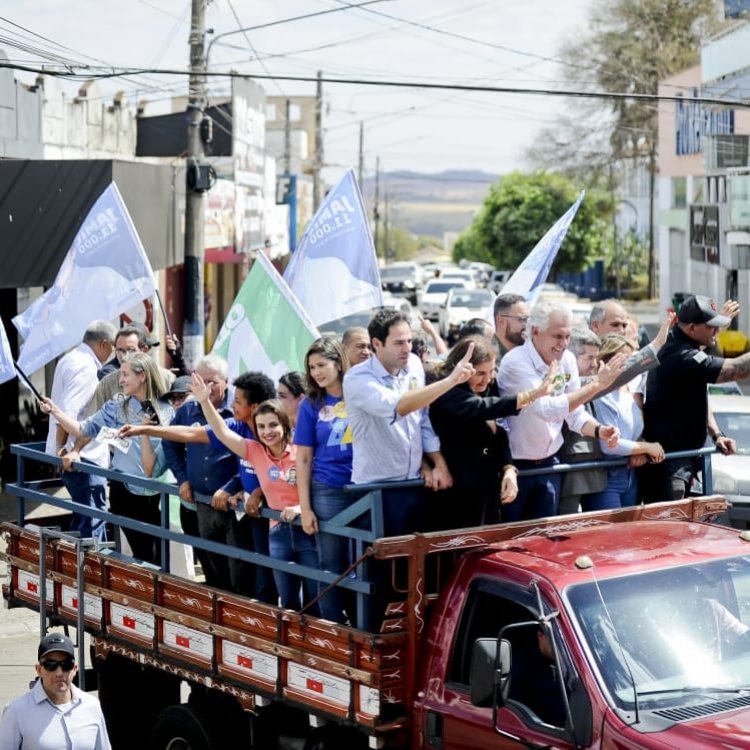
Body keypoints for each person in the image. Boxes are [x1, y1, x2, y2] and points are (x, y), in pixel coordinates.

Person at [121, 372, 277, 600]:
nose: (232, 404)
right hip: (249, 514)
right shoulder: (237, 427)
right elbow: (193, 432)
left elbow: (281, 470)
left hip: (272, 517)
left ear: (253, 407)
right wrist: (144, 430)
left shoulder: (274, 432)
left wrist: (256, 491)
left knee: (264, 578)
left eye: (238, 402)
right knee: (239, 577)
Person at [343, 308, 475, 538]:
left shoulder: (413, 364)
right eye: (398, 343)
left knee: (416, 566)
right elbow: (399, 407)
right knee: (382, 570)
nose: (407, 348)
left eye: (409, 341)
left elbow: (421, 417)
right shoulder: (357, 378)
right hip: (377, 491)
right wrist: (451, 381)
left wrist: (438, 462)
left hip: (414, 484)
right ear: (377, 343)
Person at [190, 377, 318, 611]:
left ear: (285, 424)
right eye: (261, 427)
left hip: (307, 531)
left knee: (315, 600)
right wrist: (205, 402)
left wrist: (300, 509)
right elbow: (221, 432)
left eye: (273, 425)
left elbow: (317, 491)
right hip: (277, 532)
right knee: (288, 601)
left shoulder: (302, 450)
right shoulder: (255, 451)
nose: (267, 432)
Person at [41, 352, 173, 567]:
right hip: (126, 492)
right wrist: (55, 410)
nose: (120, 380)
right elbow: (82, 429)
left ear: (143, 376)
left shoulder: (167, 410)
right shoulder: (117, 407)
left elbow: (161, 463)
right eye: (121, 374)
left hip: (159, 495)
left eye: (125, 374)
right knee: (147, 558)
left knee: (158, 558)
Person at [498, 301, 624, 521]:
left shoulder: (566, 360)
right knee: (512, 544)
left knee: (544, 541)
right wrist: (596, 385)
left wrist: (599, 430)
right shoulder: (515, 362)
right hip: (516, 468)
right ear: (536, 331)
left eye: (567, 337)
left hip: (550, 464)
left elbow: (574, 414)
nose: (564, 344)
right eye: (558, 336)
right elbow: (545, 409)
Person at [429, 336, 555, 529]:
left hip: (488, 489)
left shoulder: (487, 388)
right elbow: (482, 408)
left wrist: (508, 468)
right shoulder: (447, 391)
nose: (486, 380)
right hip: (457, 492)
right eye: (480, 373)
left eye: (491, 372)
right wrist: (533, 394)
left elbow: (500, 432)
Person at [641, 294, 746, 502]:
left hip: (684, 463)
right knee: (671, 532)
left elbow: (699, 396)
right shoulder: (682, 356)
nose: (717, 331)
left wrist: (717, 434)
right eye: (712, 326)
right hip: (670, 468)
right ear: (691, 328)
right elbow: (733, 370)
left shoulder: (681, 342)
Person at [161, 355, 237, 589]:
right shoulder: (187, 410)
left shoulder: (237, 410)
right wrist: (182, 479)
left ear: (225, 381)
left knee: (238, 569)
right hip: (202, 503)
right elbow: (169, 442)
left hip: (234, 505)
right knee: (212, 568)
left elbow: (251, 457)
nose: (207, 387)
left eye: (213, 381)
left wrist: (232, 487)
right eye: (201, 381)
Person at [295, 337, 353, 623]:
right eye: (312, 367)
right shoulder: (311, 404)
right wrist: (305, 507)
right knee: (331, 562)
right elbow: (303, 457)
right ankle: (332, 627)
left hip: (366, 487)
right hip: (327, 490)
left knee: (367, 562)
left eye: (322, 365)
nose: (317, 372)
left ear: (339, 363)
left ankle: (363, 624)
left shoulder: (359, 393)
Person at [45, 320, 116, 541]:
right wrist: (61, 449)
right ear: (104, 344)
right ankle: (88, 573)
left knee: (84, 519)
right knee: (92, 523)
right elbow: (67, 413)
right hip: (84, 459)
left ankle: (80, 570)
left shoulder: (70, 358)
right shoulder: (87, 366)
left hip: (78, 457)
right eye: (114, 347)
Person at [585, 334, 665, 510]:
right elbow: (609, 445)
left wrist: (639, 447)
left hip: (631, 477)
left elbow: (634, 432)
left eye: (632, 359)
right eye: (624, 359)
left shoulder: (629, 391)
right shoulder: (601, 394)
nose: (631, 366)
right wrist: (646, 448)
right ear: (606, 361)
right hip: (606, 480)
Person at [0, 632, 111, 749]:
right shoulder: (17, 712)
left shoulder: (91, 706)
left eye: (66, 665)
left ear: (74, 669)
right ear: (39, 670)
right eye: (51, 665)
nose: (59, 673)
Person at [558, 328, 606, 515]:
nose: (594, 365)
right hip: (571, 468)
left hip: (595, 466)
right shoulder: (562, 381)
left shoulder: (589, 382)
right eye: (589, 358)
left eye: (596, 358)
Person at [89, 324, 174, 413]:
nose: (125, 355)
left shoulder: (166, 379)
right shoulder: (106, 385)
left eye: (131, 350)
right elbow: (92, 422)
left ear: (143, 350)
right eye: (120, 350)